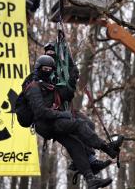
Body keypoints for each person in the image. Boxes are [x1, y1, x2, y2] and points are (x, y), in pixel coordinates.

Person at [22, 55, 124, 189]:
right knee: (78, 125)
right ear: (38, 69)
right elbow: (40, 112)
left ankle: (90, 179)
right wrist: (62, 114)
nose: (47, 71)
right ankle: (107, 147)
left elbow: (66, 94)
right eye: (44, 69)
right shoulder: (33, 88)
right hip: (45, 124)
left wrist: (72, 77)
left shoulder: (50, 86)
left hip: (52, 122)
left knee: (75, 145)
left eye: (49, 69)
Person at [43, 42, 112, 174]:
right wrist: (70, 81)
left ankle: (88, 159)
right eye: (48, 53)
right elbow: (63, 92)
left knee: (89, 124)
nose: (51, 55)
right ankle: (86, 160)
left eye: (53, 53)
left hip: (66, 109)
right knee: (78, 127)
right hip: (55, 113)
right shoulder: (45, 72)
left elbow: (67, 87)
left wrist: (72, 73)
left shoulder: (60, 70)